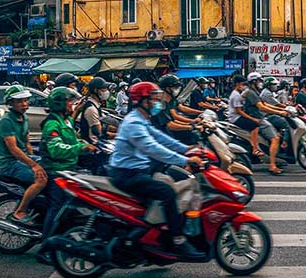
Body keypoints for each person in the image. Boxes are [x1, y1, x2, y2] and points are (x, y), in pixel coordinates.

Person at [107, 81, 205, 259]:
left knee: (169, 183)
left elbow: (161, 138)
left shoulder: (142, 119)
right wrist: (186, 159)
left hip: (138, 171)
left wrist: (186, 149)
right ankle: (178, 240)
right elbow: (153, 148)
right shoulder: (133, 124)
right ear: (143, 101)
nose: (156, 103)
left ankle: (156, 235)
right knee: (167, 193)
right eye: (153, 99)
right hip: (127, 175)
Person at [38, 87, 97, 247]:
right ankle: (46, 246)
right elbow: (56, 149)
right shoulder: (51, 123)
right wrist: (80, 148)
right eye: (69, 101)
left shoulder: (67, 120)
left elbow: (72, 142)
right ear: (59, 104)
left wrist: (87, 144)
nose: (72, 104)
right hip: (55, 170)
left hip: (69, 168)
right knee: (58, 206)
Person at [0, 85, 46, 223]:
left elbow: (27, 143)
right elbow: (14, 150)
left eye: (26, 100)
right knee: (41, 180)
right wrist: (34, 165)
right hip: (10, 164)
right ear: (10, 103)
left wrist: (34, 159)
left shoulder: (24, 118)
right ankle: (20, 210)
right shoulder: (5, 121)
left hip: (23, 160)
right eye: (20, 101)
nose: (24, 104)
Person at [243, 72, 289, 175]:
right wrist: (279, 112)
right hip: (257, 119)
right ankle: (272, 165)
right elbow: (262, 107)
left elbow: (265, 104)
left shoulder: (255, 92)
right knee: (275, 138)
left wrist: (282, 108)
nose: (261, 83)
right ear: (254, 81)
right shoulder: (251, 93)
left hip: (260, 117)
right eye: (259, 81)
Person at [152, 74, 201, 145]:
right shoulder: (159, 105)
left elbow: (174, 120)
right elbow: (171, 125)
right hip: (161, 140)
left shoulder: (169, 101)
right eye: (175, 87)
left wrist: (193, 123)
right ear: (167, 88)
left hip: (168, 135)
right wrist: (193, 126)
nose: (178, 89)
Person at [228, 75, 261, 156]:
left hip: (234, 117)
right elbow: (239, 111)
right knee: (255, 125)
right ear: (238, 84)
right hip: (236, 118)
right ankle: (255, 149)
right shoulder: (236, 95)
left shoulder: (236, 94)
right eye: (243, 84)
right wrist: (253, 119)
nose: (244, 86)